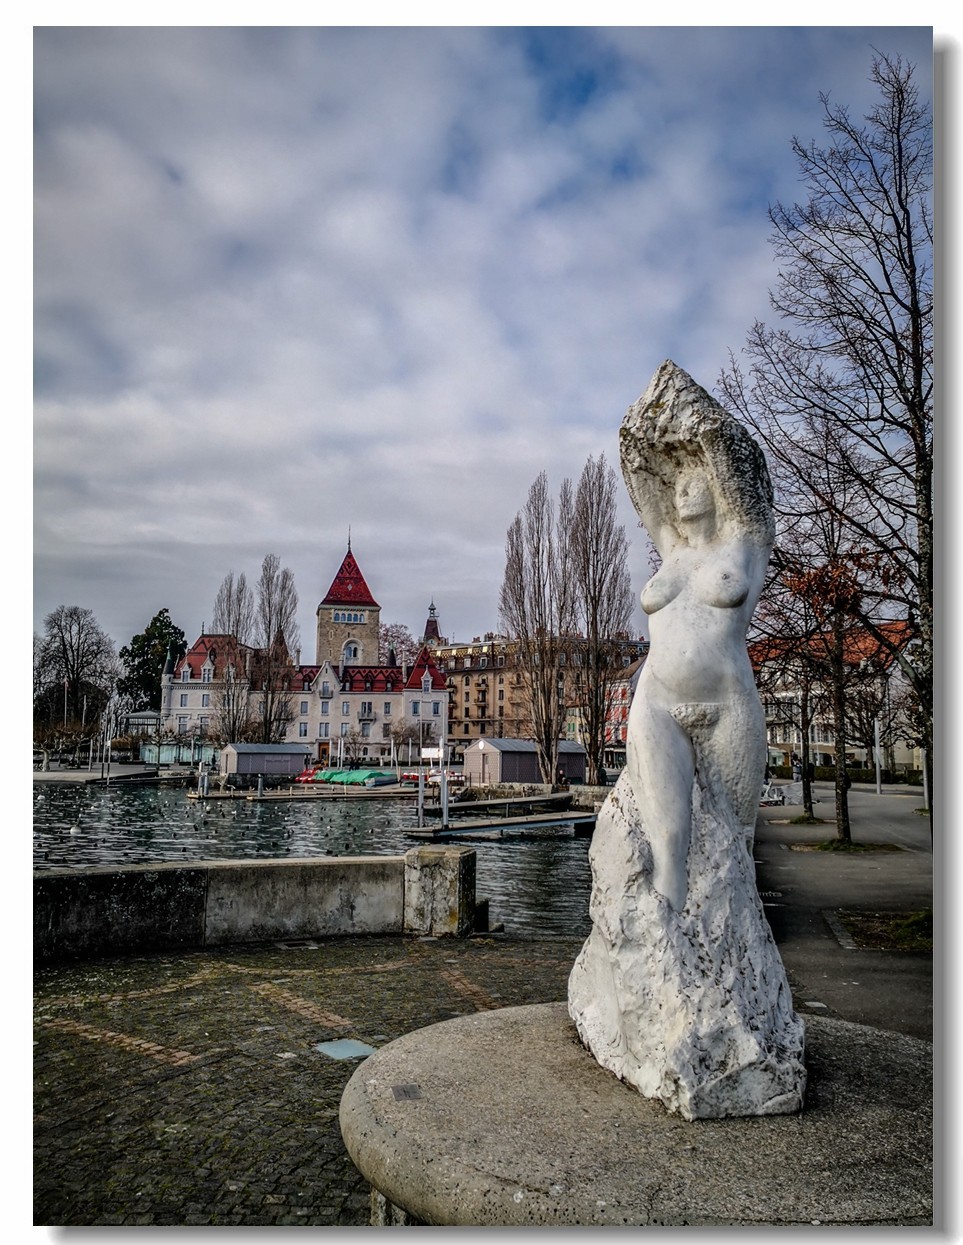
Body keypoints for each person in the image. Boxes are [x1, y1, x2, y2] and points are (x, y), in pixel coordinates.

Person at [620, 361, 775, 911]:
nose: (682, 493)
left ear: (713, 489)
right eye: (677, 485)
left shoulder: (744, 548)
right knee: (667, 842)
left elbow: (747, 490)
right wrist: (639, 430)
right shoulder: (671, 551)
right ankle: (667, 967)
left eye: (694, 483)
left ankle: (726, 976)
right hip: (658, 701)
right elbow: (640, 482)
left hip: (727, 702)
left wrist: (704, 429)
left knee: (734, 847)